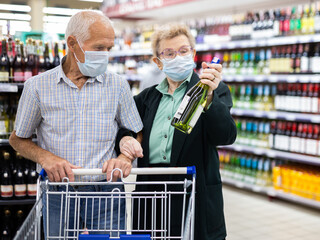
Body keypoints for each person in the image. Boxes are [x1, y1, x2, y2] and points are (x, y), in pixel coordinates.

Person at [9, 10, 143, 238]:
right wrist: (45, 157)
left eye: (109, 49)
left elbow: (136, 132)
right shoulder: (37, 87)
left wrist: (124, 156)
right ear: (73, 43)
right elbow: (17, 139)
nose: (105, 55)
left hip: (106, 191)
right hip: (57, 191)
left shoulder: (118, 86)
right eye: (99, 48)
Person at [115, 24, 236, 240]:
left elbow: (226, 136)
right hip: (151, 192)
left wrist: (209, 98)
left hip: (195, 192)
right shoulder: (146, 98)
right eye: (169, 53)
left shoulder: (213, 91)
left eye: (183, 51)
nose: (178, 57)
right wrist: (126, 140)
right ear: (158, 62)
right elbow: (127, 127)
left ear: (193, 54)